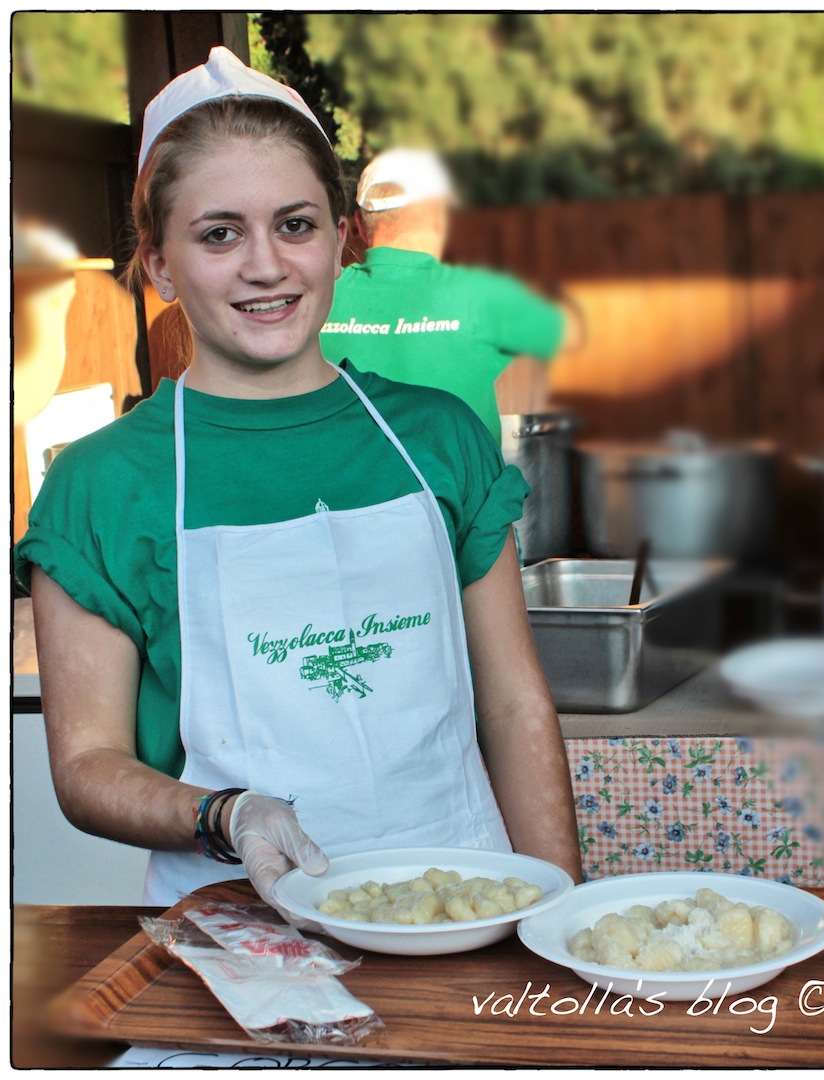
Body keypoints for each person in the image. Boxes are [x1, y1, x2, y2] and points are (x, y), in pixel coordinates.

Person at [13, 47, 582, 918]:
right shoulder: (102, 484)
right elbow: (88, 766)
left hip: (468, 910)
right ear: (158, 264)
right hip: (241, 932)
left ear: (341, 239)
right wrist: (225, 814)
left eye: (295, 224)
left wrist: (561, 920)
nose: (266, 265)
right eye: (219, 234)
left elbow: (514, 707)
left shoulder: (438, 437)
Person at [320, 147, 584, 445]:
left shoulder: (322, 296)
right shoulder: (482, 292)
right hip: (459, 476)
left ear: (358, 222)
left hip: (348, 475)